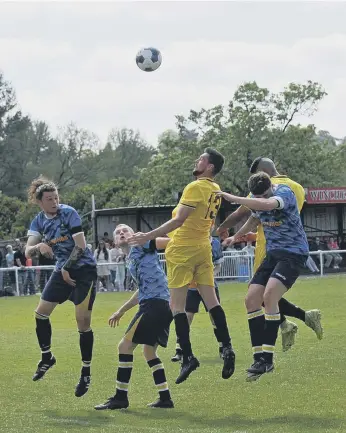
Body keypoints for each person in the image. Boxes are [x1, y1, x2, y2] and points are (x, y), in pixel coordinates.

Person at [128, 148, 235, 385]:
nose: (197, 160)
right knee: (212, 301)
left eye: (201, 159)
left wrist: (148, 236)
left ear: (210, 167)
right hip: (203, 249)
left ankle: (187, 356)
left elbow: (178, 220)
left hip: (183, 250)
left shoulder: (194, 186)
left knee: (177, 306)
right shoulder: (215, 189)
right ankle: (227, 347)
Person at [217, 157, 322, 351]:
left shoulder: (271, 189)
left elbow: (243, 212)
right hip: (274, 246)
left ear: (263, 172)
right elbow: (257, 217)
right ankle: (293, 322)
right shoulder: (297, 186)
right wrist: (236, 237)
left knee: (265, 295)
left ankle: (282, 332)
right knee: (258, 296)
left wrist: (222, 227)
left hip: (274, 247)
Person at [25, 177, 97, 397]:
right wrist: (39, 245)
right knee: (40, 314)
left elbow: (81, 246)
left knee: (82, 322)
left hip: (83, 270)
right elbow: (27, 251)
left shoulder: (69, 213)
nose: (54, 201)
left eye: (56, 197)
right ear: (40, 201)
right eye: (49, 199)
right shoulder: (38, 221)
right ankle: (47, 357)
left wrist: (66, 267)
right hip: (61, 270)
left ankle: (86, 372)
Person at [95, 224, 174, 410]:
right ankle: (165, 398)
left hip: (154, 305)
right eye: (117, 232)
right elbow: (142, 291)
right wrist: (121, 310)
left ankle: (120, 397)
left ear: (134, 235)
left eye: (125, 230)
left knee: (124, 346)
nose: (121, 233)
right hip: (160, 305)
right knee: (149, 352)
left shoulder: (142, 244)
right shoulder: (131, 259)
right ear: (114, 242)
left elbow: (171, 243)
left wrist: (168, 235)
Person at [171, 235, 225, 362]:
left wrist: (207, 277)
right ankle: (180, 350)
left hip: (208, 286)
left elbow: (218, 265)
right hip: (191, 287)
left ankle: (223, 347)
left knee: (214, 317)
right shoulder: (188, 239)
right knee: (187, 317)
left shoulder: (215, 243)